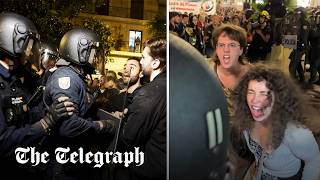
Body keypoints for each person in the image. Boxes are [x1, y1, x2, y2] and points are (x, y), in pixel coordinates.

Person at [0, 12, 74, 179]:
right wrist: (46, 123)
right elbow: (3, 142)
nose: (31, 52)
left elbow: (22, 114)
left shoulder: (12, 80)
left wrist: (52, 109)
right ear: (13, 42)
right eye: (28, 45)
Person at [42, 28, 115, 180]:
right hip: (63, 166)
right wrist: (101, 126)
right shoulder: (66, 79)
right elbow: (68, 126)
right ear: (81, 51)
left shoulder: (76, 76)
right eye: (93, 52)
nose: (95, 58)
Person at [232, 65, 320, 179]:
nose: (254, 100)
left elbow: (314, 160)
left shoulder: (294, 132)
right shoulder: (247, 120)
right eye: (251, 92)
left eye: (264, 93)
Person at [116, 37, 166, 180]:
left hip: (148, 171)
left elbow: (130, 138)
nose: (142, 61)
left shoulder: (150, 92)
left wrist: (117, 124)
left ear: (155, 63)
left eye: (144, 57)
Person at [209, 23, 252, 179]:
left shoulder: (253, 75)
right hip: (210, 141)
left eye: (232, 45)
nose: (226, 50)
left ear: (241, 50)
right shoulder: (204, 69)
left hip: (241, 146)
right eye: (221, 45)